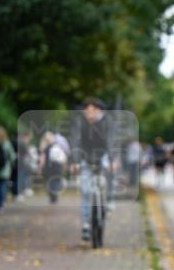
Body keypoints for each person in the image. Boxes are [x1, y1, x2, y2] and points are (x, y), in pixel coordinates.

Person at [69, 97, 116, 243]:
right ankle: (86, 224)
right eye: (87, 110)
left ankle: (109, 199)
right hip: (85, 157)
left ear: (99, 111)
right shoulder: (79, 123)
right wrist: (75, 161)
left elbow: (111, 141)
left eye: (93, 110)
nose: (90, 113)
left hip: (102, 155)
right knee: (85, 190)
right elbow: (75, 141)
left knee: (109, 175)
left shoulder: (107, 122)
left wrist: (112, 159)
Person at [0, 126, 16, 214]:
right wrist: (13, 165)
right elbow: (11, 156)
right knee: (2, 186)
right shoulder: (6, 143)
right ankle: (0, 205)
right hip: (4, 169)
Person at [39, 131, 69, 204]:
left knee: (54, 181)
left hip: (55, 166)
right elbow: (42, 158)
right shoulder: (46, 147)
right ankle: (53, 195)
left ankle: (54, 195)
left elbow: (62, 157)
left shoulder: (56, 146)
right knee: (50, 182)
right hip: (50, 167)